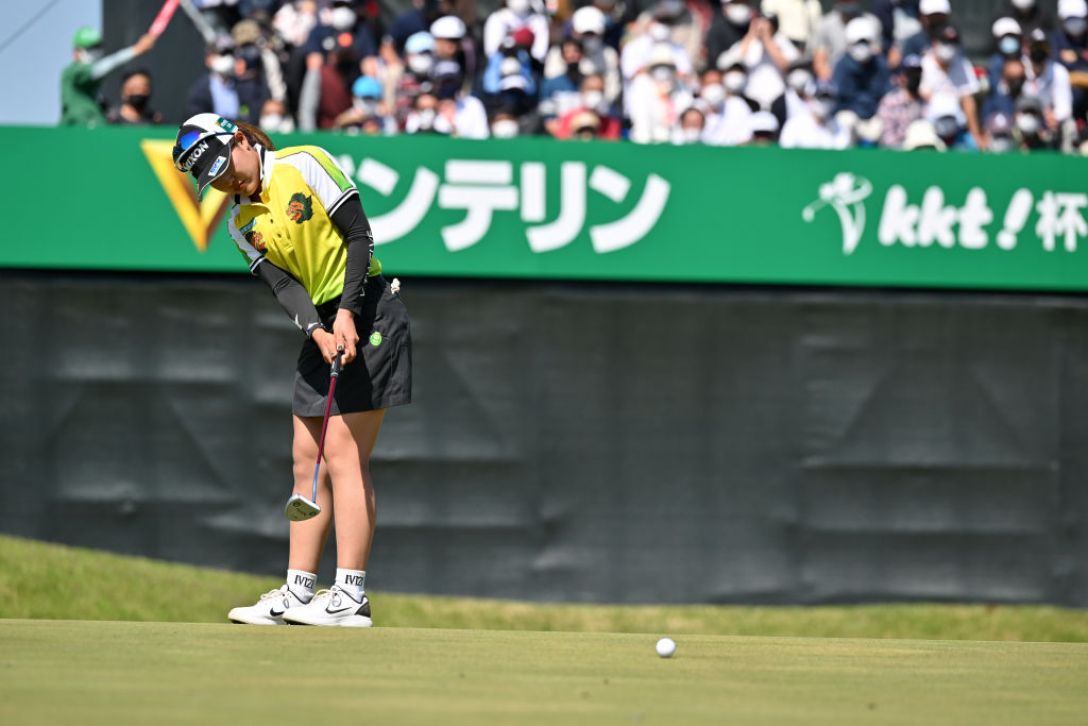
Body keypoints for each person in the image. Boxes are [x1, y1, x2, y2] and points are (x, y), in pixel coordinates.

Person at [170, 113, 412, 626]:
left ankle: (350, 595)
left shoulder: (304, 163)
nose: (226, 182)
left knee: (344, 454)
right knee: (307, 456)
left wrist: (346, 313)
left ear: (240, 139)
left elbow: (359, 236)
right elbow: (284, 286)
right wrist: (318, 331)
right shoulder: (239, 224)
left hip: (368, 310)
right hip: (322, 326)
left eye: (225, 167)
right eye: (213, 180)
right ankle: (299, 592)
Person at [60, 26, 156, 126]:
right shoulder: (72, 72)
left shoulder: (95, 93)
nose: (95, 52)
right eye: (90, 49)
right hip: (76, 130)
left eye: (97, 47)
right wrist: (135, 50)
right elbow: (98, 69)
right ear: (76, 53)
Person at [876, 53, 925, 148]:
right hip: (896, 151)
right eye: (910, 74)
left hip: (920, 150)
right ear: (902, 76)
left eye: (917, 73)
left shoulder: (924, 102)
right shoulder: (890, 102)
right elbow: (888, 137)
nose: (914, 77)